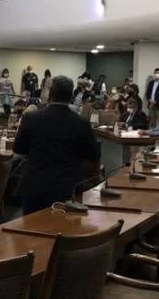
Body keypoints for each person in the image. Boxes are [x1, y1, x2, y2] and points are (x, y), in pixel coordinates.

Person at [14, 75, 100, 214]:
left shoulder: (31, 118)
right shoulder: (81, 123)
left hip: (34, 186)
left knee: (31, 230)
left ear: (51, 94)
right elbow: (94, 154)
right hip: (66, 188)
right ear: (71, 95)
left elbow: (18, 148)